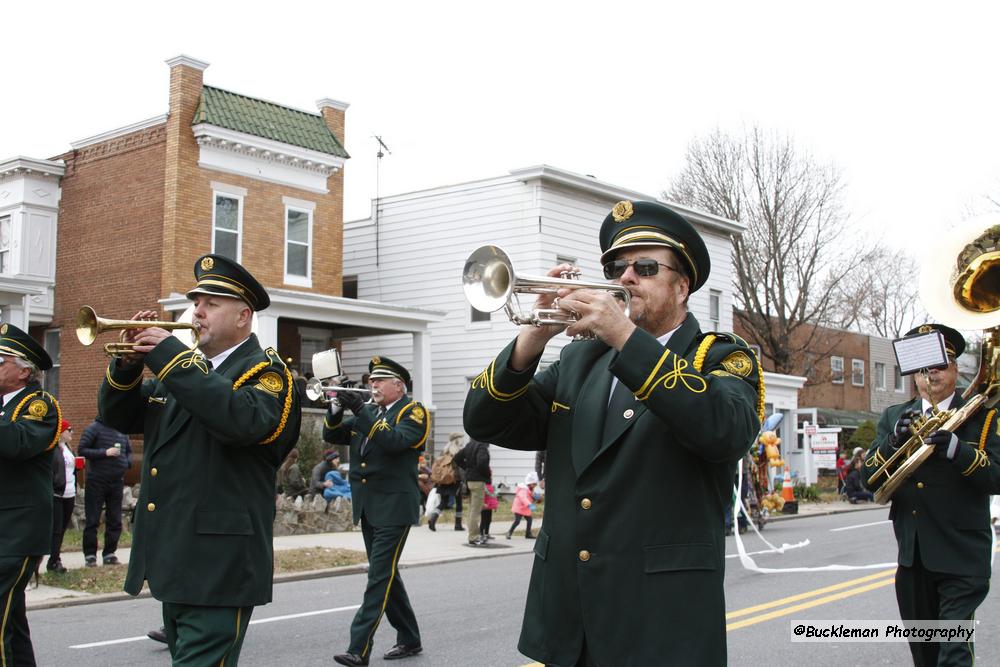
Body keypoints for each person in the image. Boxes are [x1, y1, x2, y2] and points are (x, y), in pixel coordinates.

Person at [464, 200, 762, 666]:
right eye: (615, 267)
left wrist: (625, 337)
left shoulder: (719, 357)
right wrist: (534, 337)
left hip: (662, 623)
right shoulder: (580, 359)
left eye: (644, 267)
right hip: (569, 619)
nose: (624, 278)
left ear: (682, 287)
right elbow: (485, 421)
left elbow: (724, 432)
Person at [98, 254, 301, 665]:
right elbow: (116, 417)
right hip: (174, 556)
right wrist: (127, 365)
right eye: (197, 302)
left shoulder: (267, 373)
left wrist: (173, 359)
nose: (198, 312)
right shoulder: (188, 373)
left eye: (211, 303)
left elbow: (240, 422)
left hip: (221, 565)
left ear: (244, 316)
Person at [863, 323, 1000, 667]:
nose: (931, 373)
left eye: (940, 364)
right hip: (914, 559)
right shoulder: (895, 416)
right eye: (922, 367)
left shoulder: (983, 416)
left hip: (961, 557)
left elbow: (997, 477)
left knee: (952, 654)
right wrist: (893, 442)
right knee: (925, 656)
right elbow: (869, 478)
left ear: (955, 369)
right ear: (913, 375)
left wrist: (959, 451)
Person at [323, 356, 427, 666]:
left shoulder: (413, 412)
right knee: (388, 576)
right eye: (370, 381)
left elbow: (395, 442)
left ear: (399, 385)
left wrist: (360, 409)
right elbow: (333, 435)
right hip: (369, 506)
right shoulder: (372, 412)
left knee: (378, 576)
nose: (372, 385)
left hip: (395, 507)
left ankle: (359, 648)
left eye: (379, 381)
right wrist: (336, 406)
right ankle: (410, 638)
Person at [0, 323, 60, 666]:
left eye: (0, 360)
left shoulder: (38, 405)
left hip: (17, 531)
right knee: (12, 621)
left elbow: (18, 444)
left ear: (24, 370)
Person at [77, 415, 132, 566]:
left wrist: (127, 462)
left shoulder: (122, 430)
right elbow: (82, 449)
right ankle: (90, 556)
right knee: (93, 520)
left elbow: (128, 450)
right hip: (96, 481)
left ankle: (109, 553)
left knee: (115, 519)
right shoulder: (93, 428)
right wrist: (104, 453)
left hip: (116, 482)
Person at [48, 420, 77, 574]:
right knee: (57, 529)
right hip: (57, 493)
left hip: (70, 492)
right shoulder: (54, 449)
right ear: (61, 432)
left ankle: (55, 557)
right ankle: (54, 561)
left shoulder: (68, 449)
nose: (71, 432)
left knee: (63, 528)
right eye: (69, 429)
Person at [454, 437, 490, 546]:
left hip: (470, 481)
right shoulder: (482, 446)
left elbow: (457, 458)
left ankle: (473, 535)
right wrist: (486, 475)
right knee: (475, 510)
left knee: (472, 509)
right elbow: (482, 463)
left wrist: (468, 468)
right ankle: (473, 537)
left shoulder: (469, 445)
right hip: (478, 481)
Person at [426, 432, 465, 532]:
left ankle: (433, 519)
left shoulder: (444, 450)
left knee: (443, 502)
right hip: (454, 480)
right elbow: (460, 468)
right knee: (459, 503)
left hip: (443, 480)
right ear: (458, 440)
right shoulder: (458, 451)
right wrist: (463, 479)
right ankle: (458, 525)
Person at [506, 472, 540, 539]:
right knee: (517, 521)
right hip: (519, 508)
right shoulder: (523, 489)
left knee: (529, 520)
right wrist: (530, 505)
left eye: (536, 484)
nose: (535, 485)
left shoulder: (530, 489)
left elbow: (531, 496)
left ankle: (528, 534)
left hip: (525, 509)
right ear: (529, 483)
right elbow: (523, 498)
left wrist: (536, 497)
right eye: (534, 484)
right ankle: (509, 532)